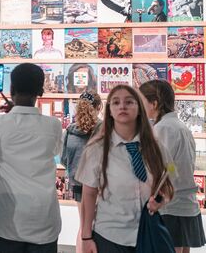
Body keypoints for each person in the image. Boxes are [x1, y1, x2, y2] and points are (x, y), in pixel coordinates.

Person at [0, 63, 63, 252]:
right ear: (40, 91)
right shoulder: (54, 126)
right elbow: (55, 150)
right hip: (43, 219)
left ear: (12, 90)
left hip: (4, 217)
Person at [76, 85, 175, 252]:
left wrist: (162, 200)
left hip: (148, 233)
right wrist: (86, 237)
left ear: (139, 109)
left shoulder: (156, 147)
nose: (122, 106)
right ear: (109, 110)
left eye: (129, 102)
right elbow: (88, 194)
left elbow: (169, 181)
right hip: (110, 236)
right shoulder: (96, 149)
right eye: (116, 102)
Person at [140, 80, 206, 253]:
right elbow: (173, 166)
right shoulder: (181, 127)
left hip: (170, 206)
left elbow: (164, 168)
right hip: (184, 203)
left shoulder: (163, 129)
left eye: (141, 100)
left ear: (154, 103)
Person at [60, 90, 102, 253]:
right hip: (99, 185)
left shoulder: (70, 130)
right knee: (96, 227)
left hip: (77, 184)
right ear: (98, 107)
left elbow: (64, 159)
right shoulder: (103, 129)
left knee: (84, 225)